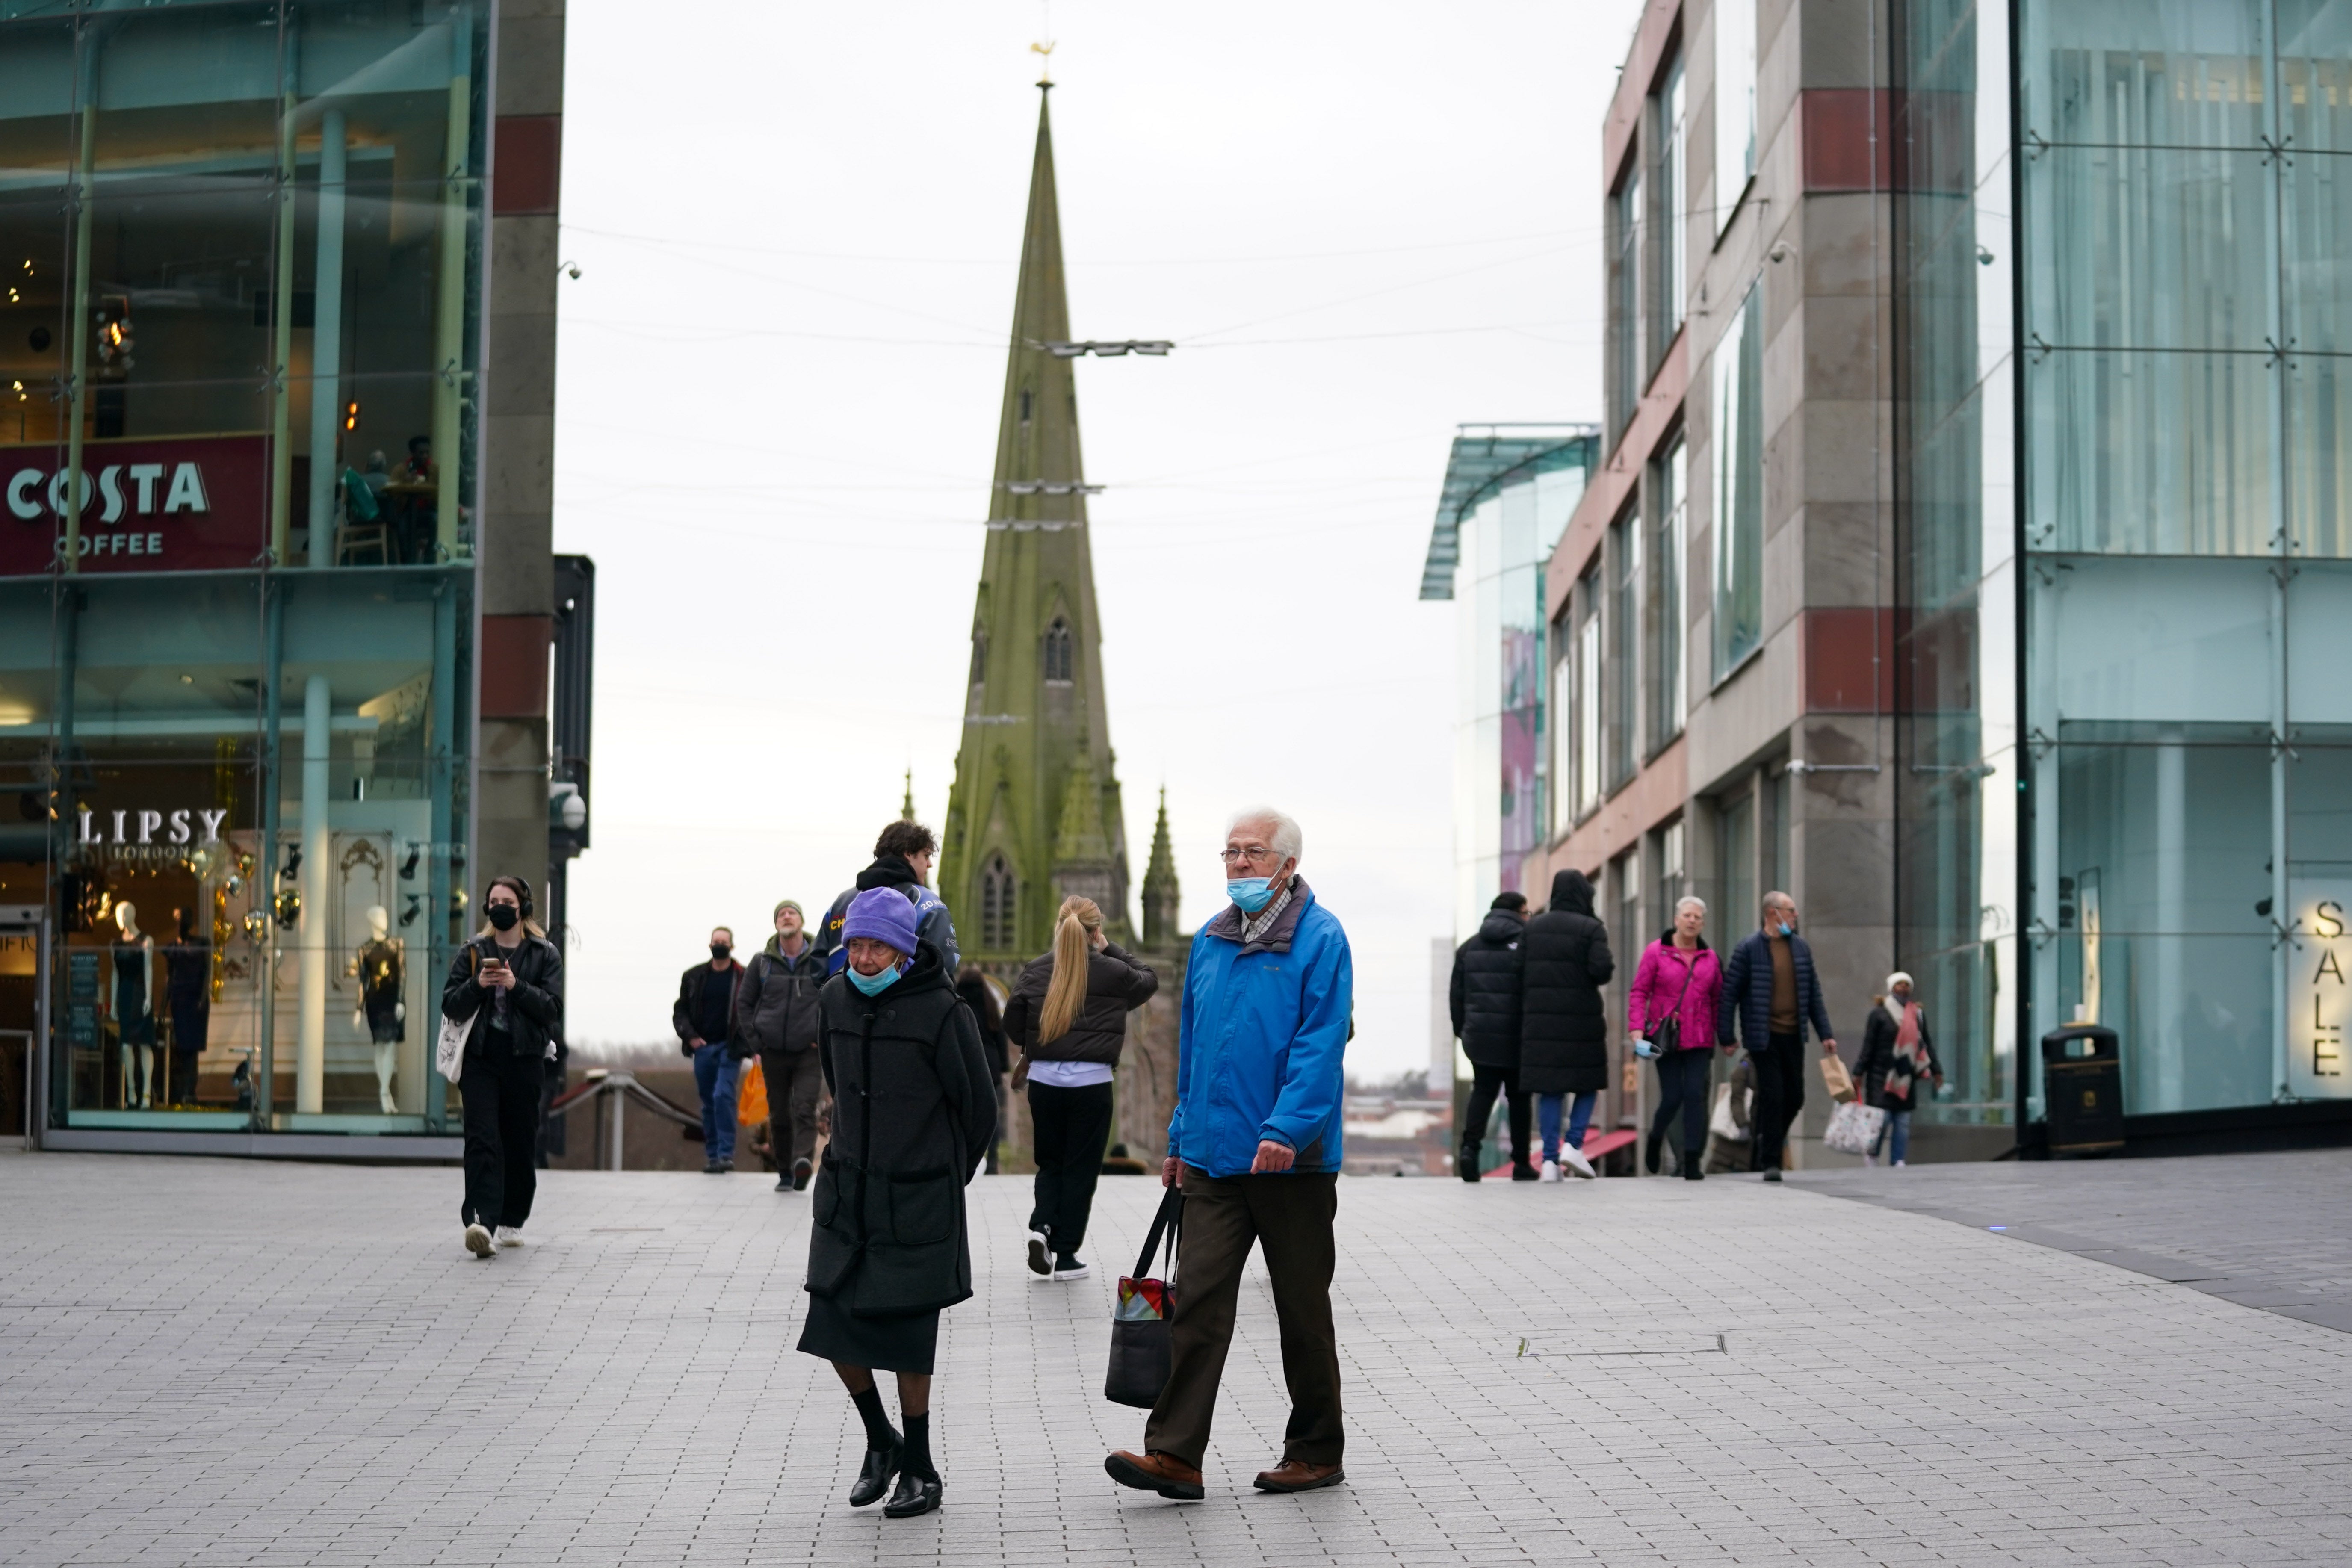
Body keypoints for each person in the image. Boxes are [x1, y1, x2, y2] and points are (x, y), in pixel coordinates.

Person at [1107, 808, 1353, 1503]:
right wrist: (1182, 1138)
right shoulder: (1212, 940)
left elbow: (1319, 1044)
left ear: (1287, 866)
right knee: (1197, 1304)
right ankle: (1175, 1454)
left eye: (1254, 853)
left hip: (1289, 1162)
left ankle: (1314, 1450)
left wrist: (1286, 1128)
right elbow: (1196, 1050)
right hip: (1215, 1163)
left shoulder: (1321, 938)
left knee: (1302, 1310)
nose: (1240, 864)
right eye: (1231, 853)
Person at [799, 887, 994, 1521]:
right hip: (847, 1193)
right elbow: (834, 1073)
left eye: (877, 944)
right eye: (854, 943)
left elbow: (979, 1109)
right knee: (830, 1322)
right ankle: (879, 1438)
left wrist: (944, 1176)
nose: (863, 955)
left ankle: (921, 1464)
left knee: (910, 1337)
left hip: (918, 1199)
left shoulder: (944, 1011)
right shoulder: (833, 1000)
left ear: (905, 949)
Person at [1002, 895, 1158, 1281]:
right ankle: (1067, 1255)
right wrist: (1111, 949)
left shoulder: (1035, 971)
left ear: (1059, 927)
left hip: (1044, 1082)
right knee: (1080, 1168)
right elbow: (1148, 980)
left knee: (1050, 1162)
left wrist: (1038, 1041)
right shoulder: (1113, 972)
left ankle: (1042, 1227)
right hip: (1091, 1083)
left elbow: (1013, 1023)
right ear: (1095, 932)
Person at [441, 876, 563, 1258]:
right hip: (481, 1058)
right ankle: (480, 1221)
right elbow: (451, 1004)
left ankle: (512, 1217)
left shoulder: (545, 954)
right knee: (481, 1138)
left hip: (524, 1058)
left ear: (523, 907)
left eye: (507, 900)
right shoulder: (473, 951)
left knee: (519, 1140)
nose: (499, 906)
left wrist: (516, 986)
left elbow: (552, 1009)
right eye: (493, 900)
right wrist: (479, 984)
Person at [1716, 891, 1838, 1182]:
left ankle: (1763, 1143)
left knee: (1795, 1097)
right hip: (1763, 1036)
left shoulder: (1801, 948)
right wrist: (1727, 1035)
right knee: (1773, 1095)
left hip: (1793, 1035)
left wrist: (1826, 1034)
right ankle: (1770, 1160)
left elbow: (1814, 996)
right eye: (1791, 910)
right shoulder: (1748, 948)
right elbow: (1729, 995)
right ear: (1773, 913)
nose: (1796, 916)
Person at [1517, 869, 1614, 1183]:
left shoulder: (1533, 928)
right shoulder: (1592, 928)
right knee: (1587, 1083)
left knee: (1550, 1090)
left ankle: (1548, 1160)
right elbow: (1602, 971)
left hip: (1541, 1021)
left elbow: (1518, 972)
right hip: (1581, 1020)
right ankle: (1573, 1145)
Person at [1627, 895, 1724, 1181]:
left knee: (1695, 1094)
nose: (1692, 920)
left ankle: (1692, 1159)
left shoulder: (1710, 958)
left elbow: (1718, 999)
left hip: (1700, 1037)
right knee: (1673, 1097)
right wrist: (1636, 1027)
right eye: (1688, 916)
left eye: (1698, 917)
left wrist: (1724, 1035)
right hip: (1665, 1036)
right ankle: (1656, 1137)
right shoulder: (1656, 952)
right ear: (1676, 920)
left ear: (1703, 924)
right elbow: (1639, 991)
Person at [733, 900, 827, 1192]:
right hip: (772, 1051)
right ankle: (785, 1172)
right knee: (780, 1114)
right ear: (777, 925)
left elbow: (833, 998)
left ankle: (802, 1162)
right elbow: (744, 1003)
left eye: (792, 913)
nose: (787, 917)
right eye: (781, 914)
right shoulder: (761, 962)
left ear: (801, 921)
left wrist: (820, 1035)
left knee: (804, 1108)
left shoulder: (820, 960)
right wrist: (756, 1044)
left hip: (809, 1051)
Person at [1448, 891, 1531, 1181]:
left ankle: (1470, 1151)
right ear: (1519, 913)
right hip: (1518, 1036)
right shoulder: (1527, 943)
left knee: (1483, 1092)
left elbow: (1456, 996)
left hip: (1479, 1036)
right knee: (1519, 1097)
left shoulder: (1469, 947)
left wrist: (1463, 1031)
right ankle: (1521, 1162)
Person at [819, 821, 959, 976]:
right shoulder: (928, 903)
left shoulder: (842, 901)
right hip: (907, 1000)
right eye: (926, 856)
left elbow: (818, 963)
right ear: (908, 854)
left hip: (840, 998)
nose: (930, 864)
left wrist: (836, 994)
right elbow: (943, 966)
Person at [673, 926, 744, 1174]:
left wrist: (752, 1045)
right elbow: (680, 1010)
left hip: (730, 1048)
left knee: (722, 1095)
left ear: (732, 946)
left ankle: (726, 1154)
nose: (720, 944)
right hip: (703, 1048)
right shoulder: (693, 977)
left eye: (724, 941)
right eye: (716, 941)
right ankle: (713, 1156)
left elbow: (751, 1010)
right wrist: (691, 1038)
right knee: (707, 1102)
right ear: (710, 945)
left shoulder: (743, 977)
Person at [1855, 972, 1943, 1168]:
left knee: (1902, 1121)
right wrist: (1859, 1072)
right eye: (1899, 984)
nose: (1904, 988)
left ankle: (1898, 1160)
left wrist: (1937, 1070)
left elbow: (1926, 1043)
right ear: (1892, 988)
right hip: (1880, 1076)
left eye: (1907, 985)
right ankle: (1873, 1155)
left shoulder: (1917, 1014)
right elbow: (1868, 1046)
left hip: (1905, 1075)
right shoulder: (1879, 1013)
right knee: (1882, 1120)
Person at [955, 967, 1009, 1174]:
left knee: (961, 1114)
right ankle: (993, 1161)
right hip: (990, 1065)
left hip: (964, 1064)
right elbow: (1000, 1039)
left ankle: (965, 1160)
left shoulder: (957, 1003)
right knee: (991, 1116)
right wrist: (1003, 1067)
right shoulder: (990, 1004)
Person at [1703, 1052, 1755, 1174]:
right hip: (1734, 1142)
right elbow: (1736, 1099)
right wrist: (1742, 1125)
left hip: (1745, 1142)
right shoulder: (1745, 1067)